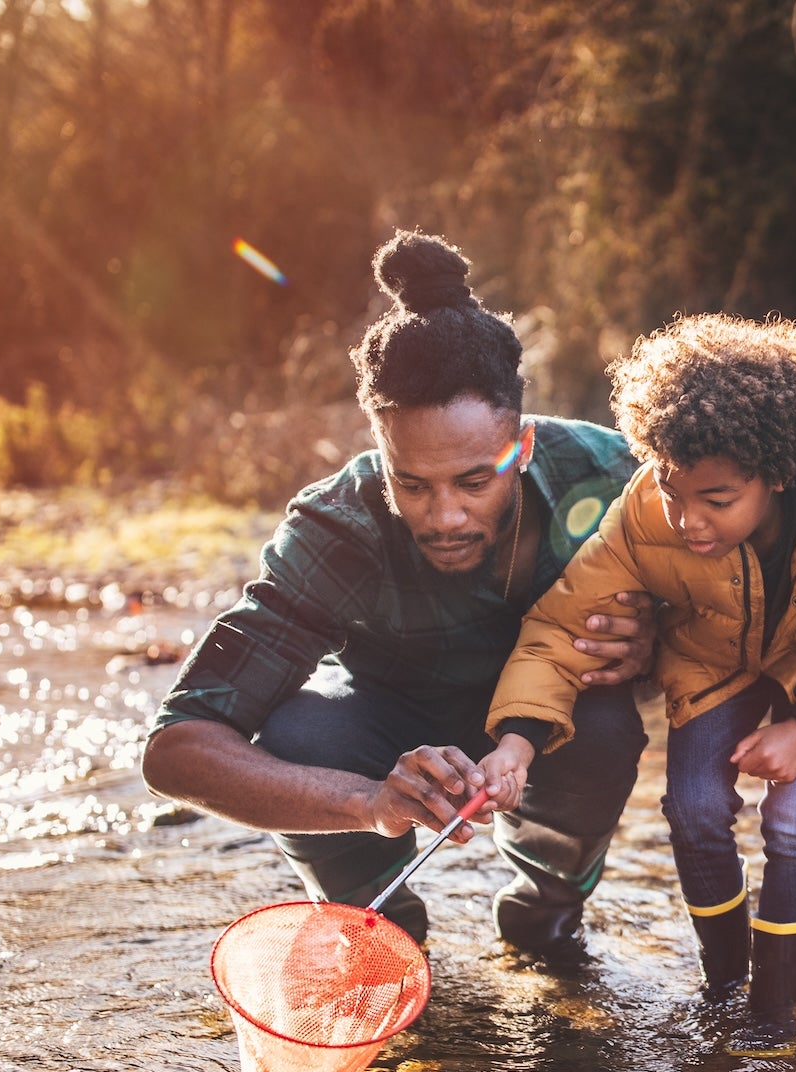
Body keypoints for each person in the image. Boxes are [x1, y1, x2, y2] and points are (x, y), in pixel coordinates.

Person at [140, 230, 652, 965]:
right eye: (411, 483)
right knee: (298, 732)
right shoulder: (336, 529)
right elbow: (176, 750)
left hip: (556, 728)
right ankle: (382, 935)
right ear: (380, 448)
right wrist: (365, 804)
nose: (445, 516)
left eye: (476, 481)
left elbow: (744, 605)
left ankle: (546, 911)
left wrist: (654, 645)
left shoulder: (613, 479)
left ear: (525, 446)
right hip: (385, 730)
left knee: (607, 728)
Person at [480, 314, 796, 1053]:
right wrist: (517, 740)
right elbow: (561, 626)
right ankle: (725, 983)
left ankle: (778, 1007)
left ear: (777, 474)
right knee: (692, 808)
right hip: (709, 661)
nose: (688, 520)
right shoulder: (643, 513)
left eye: (716, 500)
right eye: (672, 490)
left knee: (795, 820)